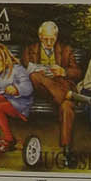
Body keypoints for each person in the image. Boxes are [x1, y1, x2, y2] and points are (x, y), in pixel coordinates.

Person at [22, 19, 82, 152]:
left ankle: (67, 150)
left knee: (66, 107)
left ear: (56, 36)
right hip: (42, 88)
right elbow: (23, 71)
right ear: (40, 37)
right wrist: (39, 72)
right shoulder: (30, 50)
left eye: (52, 39)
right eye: (46, 39)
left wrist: (63, 71)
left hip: (60, 84)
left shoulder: (66, 50)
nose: (49, 43)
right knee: (34, 76)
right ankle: (66, 95)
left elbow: (77, 72)